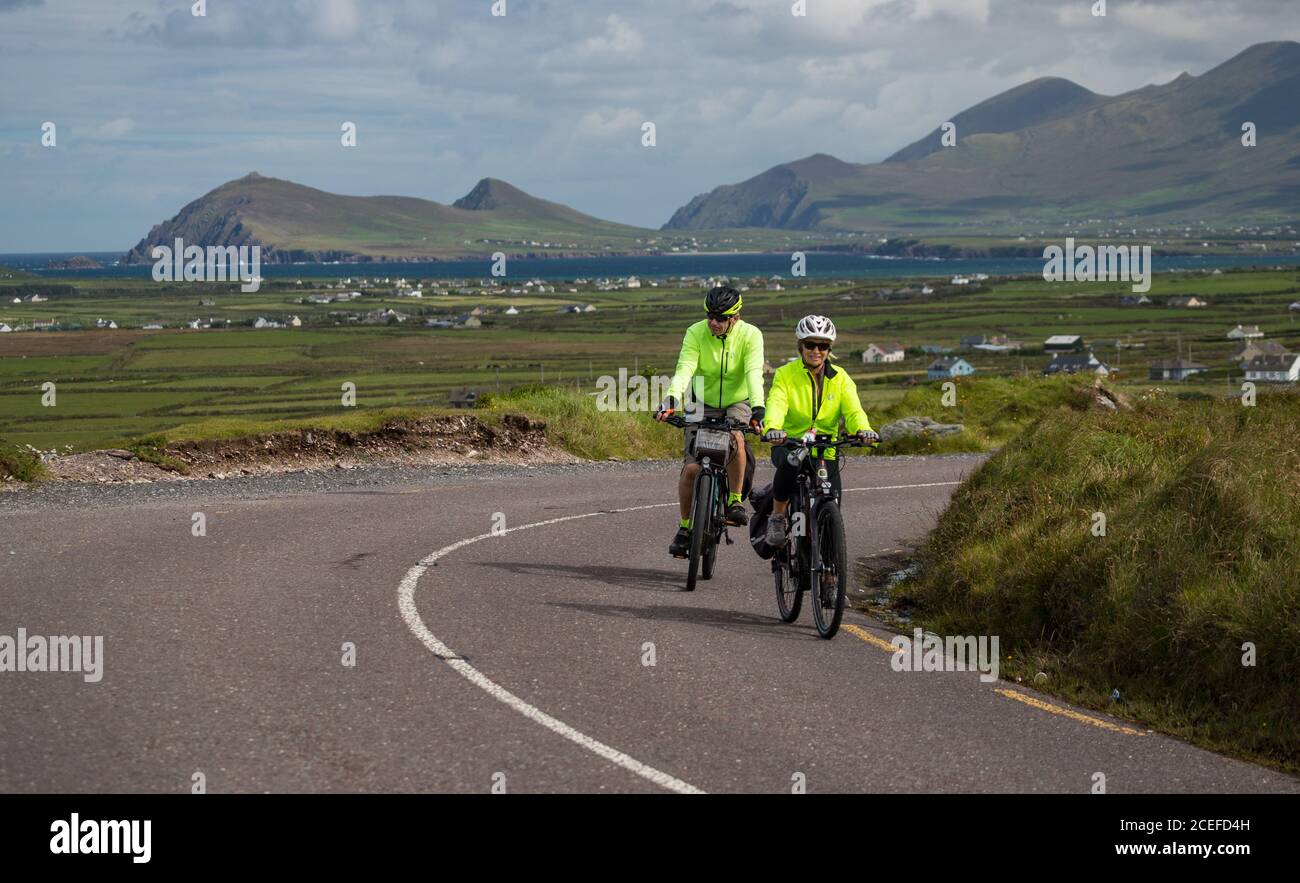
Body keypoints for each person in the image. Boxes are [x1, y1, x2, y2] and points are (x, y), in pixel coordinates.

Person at [654, 285, 766, 558]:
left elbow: (753, 373)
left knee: (736, 439)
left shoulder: (751, 335)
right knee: (691, 468)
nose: (714, 323)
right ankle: (684, 528)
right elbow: (685, 368)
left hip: (737, 401)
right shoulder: (695, 332)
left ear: (735, 317)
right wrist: (671, 400)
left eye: (721, 318)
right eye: (710, 316)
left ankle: (735, 501)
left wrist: (758, 408)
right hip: (699, 401)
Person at [762, 315, 878, 547]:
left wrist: (864, 430)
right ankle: (777, 517)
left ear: (829, 349)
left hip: (825, 450)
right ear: (801, 346)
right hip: (791, 444)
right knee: (791, 463)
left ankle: (830, 569)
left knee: (832, 505)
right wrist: (773, 428)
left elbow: (854, 411)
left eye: (823, 346)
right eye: (810, 345)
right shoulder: (786, 374)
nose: (817, 350)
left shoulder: (841, 378)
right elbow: (776, 403)